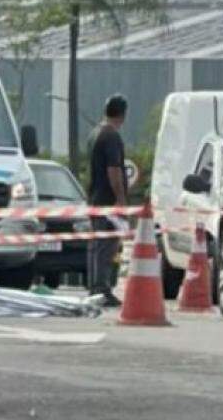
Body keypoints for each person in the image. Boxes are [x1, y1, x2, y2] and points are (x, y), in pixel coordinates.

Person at [87, 94, 129, 308]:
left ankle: (94, 287)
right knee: (106, 247)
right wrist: (120, 199)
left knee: (96, 246)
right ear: (123, 114)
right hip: (107, 201)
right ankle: (102, 289)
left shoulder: (95, 133)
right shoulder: (112, 137)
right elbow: (113, 170)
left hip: (94, 198)